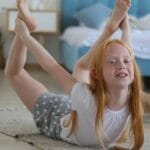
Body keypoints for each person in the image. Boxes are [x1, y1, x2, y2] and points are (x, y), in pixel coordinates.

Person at [4, 0, 149, 149]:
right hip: (54, 113)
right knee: (14, 73)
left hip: (81, 107)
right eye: (112, 62)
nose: (122, 66)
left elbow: (126, 55)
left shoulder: (134, 98)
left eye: (126, 62)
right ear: (97, 74)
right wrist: (25, 36)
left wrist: (125, 29)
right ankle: (23, 28)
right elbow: (51, 66)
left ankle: (109, 30)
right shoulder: (86, 97)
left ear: (132, 73)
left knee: (81, 68)